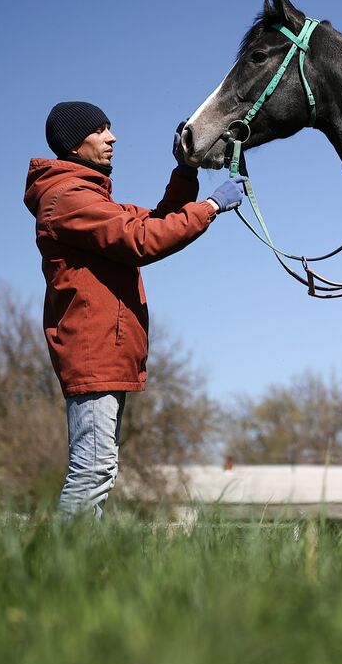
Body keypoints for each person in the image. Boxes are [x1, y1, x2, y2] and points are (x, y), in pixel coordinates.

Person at [23, 101, 244, 519]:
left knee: (99, 470)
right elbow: (142, 239)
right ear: (73, 144)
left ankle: (74, 570)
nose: (113, 138)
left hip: (107, 351)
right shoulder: (67, 200)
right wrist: (212, 207)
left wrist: (186, 173)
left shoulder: (88, 197)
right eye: (101, 130)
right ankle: (55, 571)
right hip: (94, 353)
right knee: (93, 471)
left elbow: (157, 220)